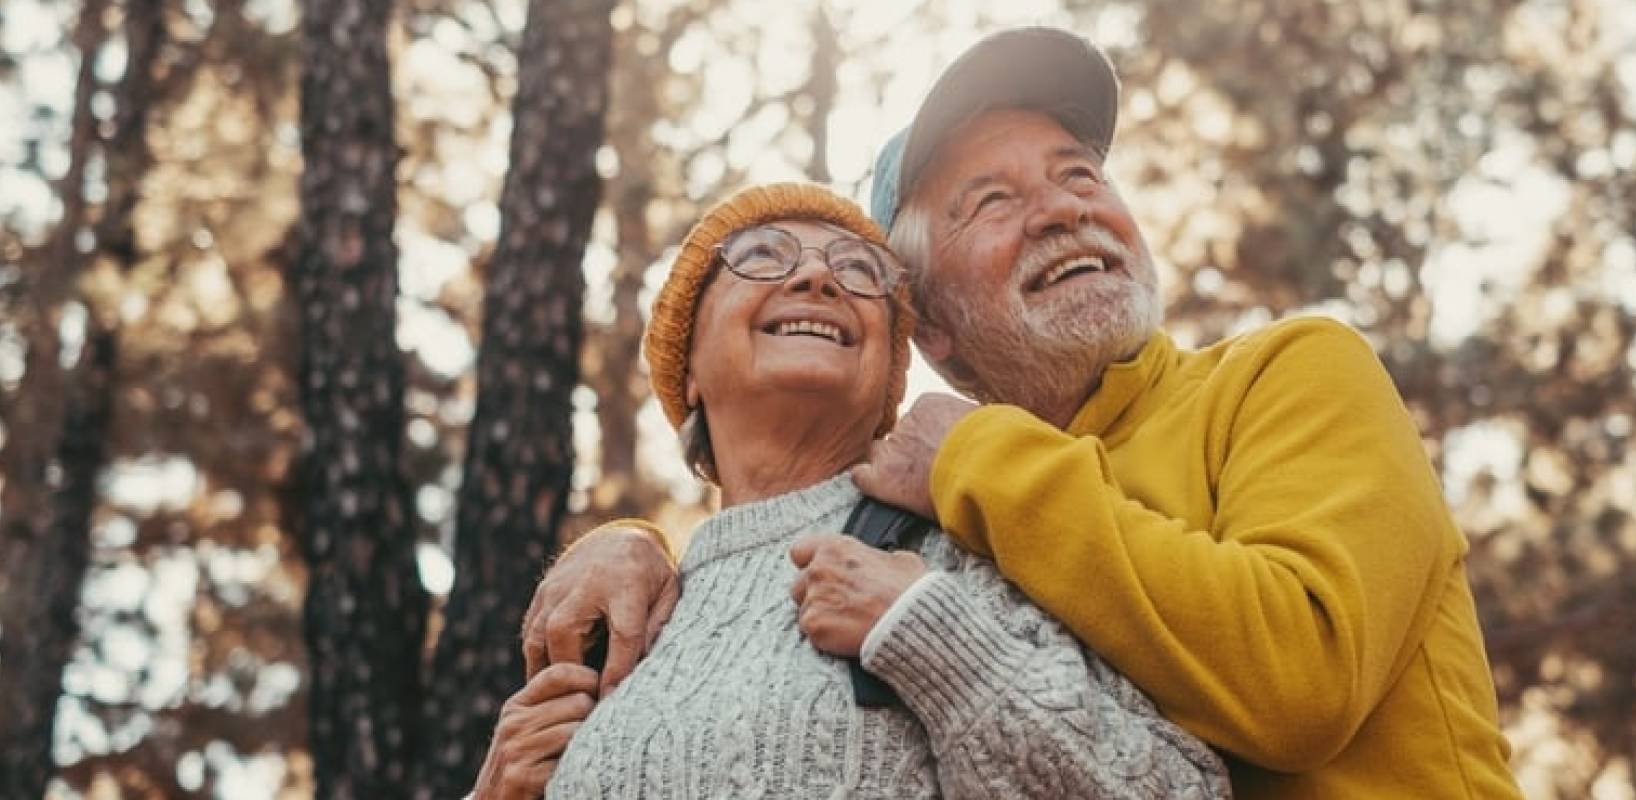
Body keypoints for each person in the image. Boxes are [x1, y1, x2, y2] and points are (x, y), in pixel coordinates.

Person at [523, 28, 1524, 799]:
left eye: (1080, 174)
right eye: (990, 200)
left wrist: (977, 457)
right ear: (936, 329)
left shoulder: (1289, 373)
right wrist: (633, 545)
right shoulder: (944, 517)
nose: (1062, 209)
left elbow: (1301, 679)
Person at [473, 182, 1230, 799]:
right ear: (688, 368)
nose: (817, 278)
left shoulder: (960, 553)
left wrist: (937, 640)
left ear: (888, 384)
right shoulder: (625, 620)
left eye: (859, 271)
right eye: (762, 256)